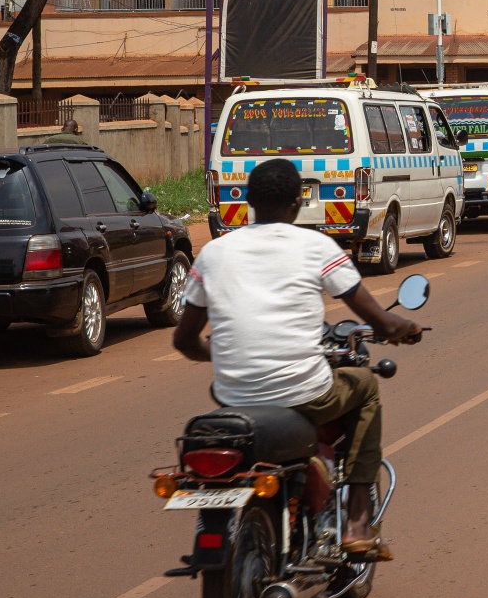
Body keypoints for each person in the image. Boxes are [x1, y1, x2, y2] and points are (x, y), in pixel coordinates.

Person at [173, 157, 421, 559]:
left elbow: (184, 341)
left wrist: (219, 350)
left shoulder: (213, 253)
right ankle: (358, 521)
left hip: (234, 398)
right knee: (366, 386)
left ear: (249, 202)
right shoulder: (315, 246)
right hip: (305, 393)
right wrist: (405, 328)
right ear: (297, 203)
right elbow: (379, 320)